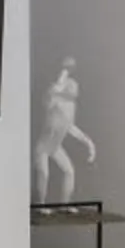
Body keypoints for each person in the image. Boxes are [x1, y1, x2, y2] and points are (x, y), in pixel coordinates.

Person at [33, 57, 96, 204]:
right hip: (43, 147)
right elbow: (48, 103)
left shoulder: (70, 106)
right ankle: (40, 205)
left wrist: (89, 144)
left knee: (69, 172)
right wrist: (59, 84)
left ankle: (65, 204)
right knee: (44, 173)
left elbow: (71, 128)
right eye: (71, 86)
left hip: (55, 147)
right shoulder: (55, 98)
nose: (74, 88)